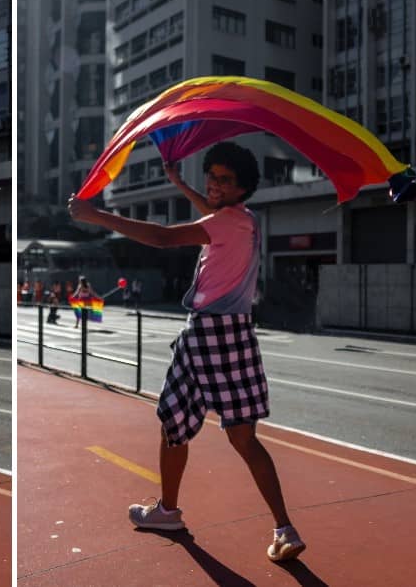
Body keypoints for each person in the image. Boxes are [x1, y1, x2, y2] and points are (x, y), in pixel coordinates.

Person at [68, 143, 306, 563]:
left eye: (224, 180)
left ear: (243, 187)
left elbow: (162, 238)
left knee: (172, 420)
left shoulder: (225, 223)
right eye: (211, 175)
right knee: (243, 437)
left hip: (205, 335)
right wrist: (181, 183)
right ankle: (283, 528)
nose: (213, 183)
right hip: (238, 335)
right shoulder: (245, 220)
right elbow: (212, 213)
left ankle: (168, 511)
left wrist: (96, 215)